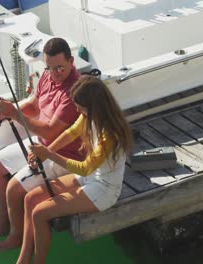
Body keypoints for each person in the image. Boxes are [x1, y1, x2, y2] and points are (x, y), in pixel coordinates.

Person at [16, 75, 133, 264]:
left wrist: (47, 154)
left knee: (39, 213)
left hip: (103, 190)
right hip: (90, 178)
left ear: (92, 106)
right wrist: (45, 152)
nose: (77, 110)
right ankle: (22, 260)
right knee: (31, 199)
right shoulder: (90, 115)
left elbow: (85, 168)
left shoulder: (109, 134)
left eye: (80, 106)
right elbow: (72, 133)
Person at [0, 38, 84, 248]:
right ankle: (3, 222)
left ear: (71, 61)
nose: (54, 73)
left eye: (60, 68)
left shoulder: (75, 91)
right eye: (49, 67)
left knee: (13, 188)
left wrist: (14, 114)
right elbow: (32, 105)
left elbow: (50, 130)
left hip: (62, 154)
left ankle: (15, 236)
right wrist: (9, 112)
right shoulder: (48, 77)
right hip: (40, 144)